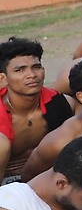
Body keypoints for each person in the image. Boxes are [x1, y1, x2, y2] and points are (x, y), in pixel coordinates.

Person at [0, 38, 75, 180]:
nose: (32, 75)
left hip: (50, 178)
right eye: (19, 69)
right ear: (3, 78)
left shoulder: (62, 103)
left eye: (36, 67)